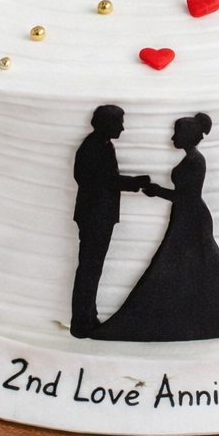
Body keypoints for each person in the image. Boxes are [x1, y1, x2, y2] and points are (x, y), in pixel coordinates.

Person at [91, 113, 219, 342]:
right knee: (191, 264)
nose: (173, 138)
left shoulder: (195, 161)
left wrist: (157, 191)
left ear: (189, 136)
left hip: (191, 216)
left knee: (195, 263)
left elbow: (187, 195)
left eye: (177, 133)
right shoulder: (191, 159)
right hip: (186, 214)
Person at [70, 105, 150, 338]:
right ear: (107, 123)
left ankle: (88, 316)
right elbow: (106, 180)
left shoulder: (100, 144)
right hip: (95, 215)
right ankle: (82, 321)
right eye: (119, 123)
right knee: (90, 268)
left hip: (97, 215)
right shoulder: (95, 146)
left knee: (92, 268)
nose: (122, 128)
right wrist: (135, 183)